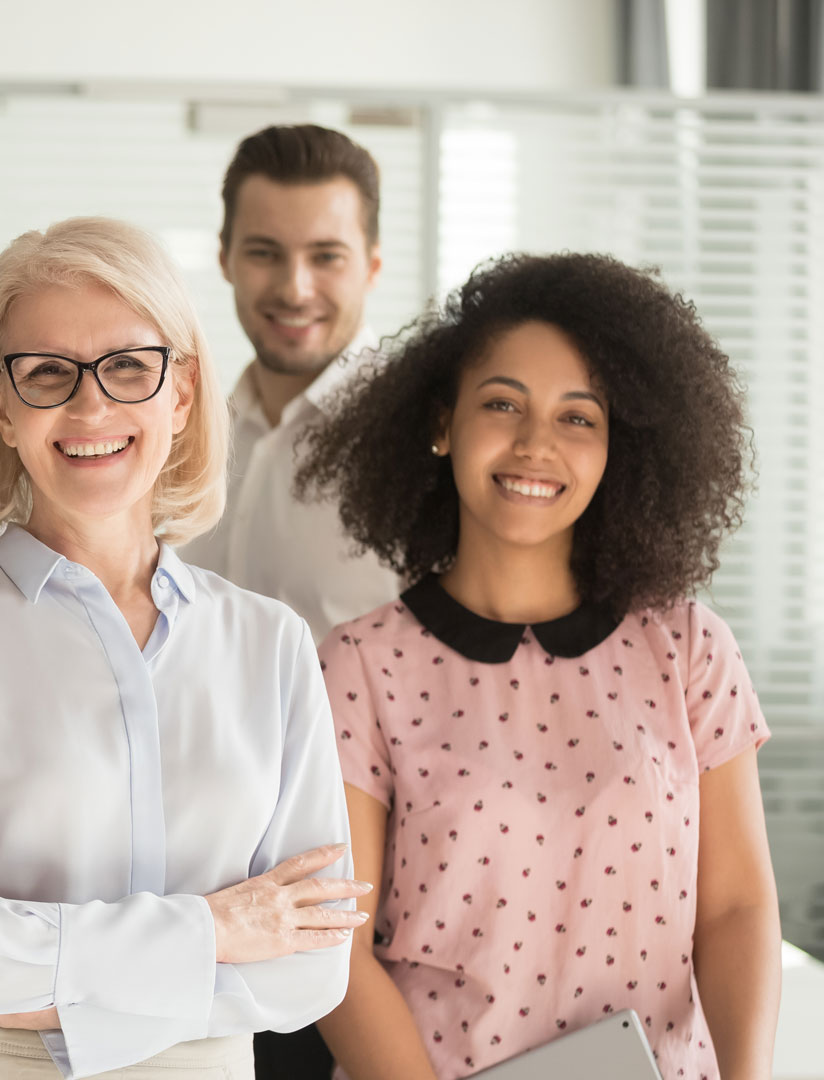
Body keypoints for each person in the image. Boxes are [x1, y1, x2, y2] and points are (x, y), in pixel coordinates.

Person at [0, 216, 367, 1080]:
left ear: (183, 394)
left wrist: (36, 979)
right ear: (1, 405)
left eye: (128, 367)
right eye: (47, 373)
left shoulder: (270, 644)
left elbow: (311, 968)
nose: (91, 406)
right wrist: (217, 931)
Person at [298, 253, 780, 1080]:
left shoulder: (690, 650)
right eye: (501, 403)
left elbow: (736, 910)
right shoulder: (358, 667)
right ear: (442, 422)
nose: (534, 444)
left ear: (616, 447)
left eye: (577, 418)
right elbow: (338, 955)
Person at [178, 124, 398, 643]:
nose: (295, 289)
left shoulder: (425, 442)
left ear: (372, 266)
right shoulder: (181, 437)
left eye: (326, 257)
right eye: (264, 253)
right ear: (224, 259)